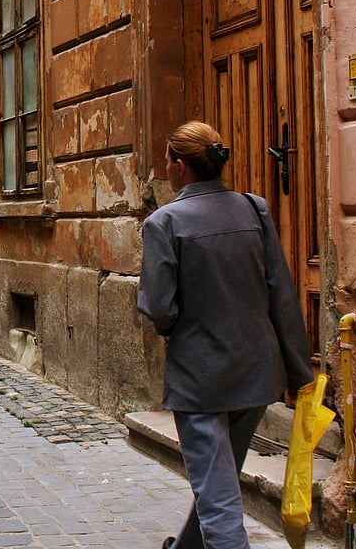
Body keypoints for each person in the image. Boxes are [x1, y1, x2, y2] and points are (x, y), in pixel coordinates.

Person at [137, 121, 313, 549]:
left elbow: (158, 307)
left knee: (218, 498)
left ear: (180, 167)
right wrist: (299, 372)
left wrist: (174, 327)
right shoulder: (254, 209)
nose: (166, 169)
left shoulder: (165, 222)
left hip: (201, 380)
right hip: (257, 373)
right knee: (219, 481)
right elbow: (282, 293)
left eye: (166, 162)